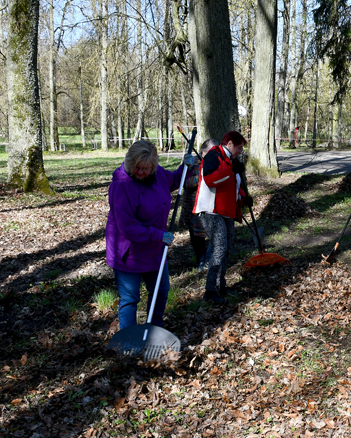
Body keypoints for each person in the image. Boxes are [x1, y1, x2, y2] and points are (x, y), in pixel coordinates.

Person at [105, 139, 195, 330]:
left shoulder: (157, 173)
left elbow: (171, 181)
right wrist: (158, 235)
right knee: (130, 298)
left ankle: (153, 331)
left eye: (146, 168)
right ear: (129, 162)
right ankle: (129, 342)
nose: (141, 172)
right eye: (137, 167)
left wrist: (184, 168)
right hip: (129, 252)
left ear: (153, 165)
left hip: (154, 249)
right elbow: (127, 227)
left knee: (161, 292)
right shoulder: (121, 186)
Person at [195, 130, 252, 304]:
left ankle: (220, 286)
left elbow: (232, 186)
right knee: (219, 248)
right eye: (239, 147)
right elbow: (211, 180)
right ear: (229, 144)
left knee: (226, 248)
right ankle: (210, 291)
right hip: (210, 210)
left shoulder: (231, 161)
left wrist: (243, 198)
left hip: (226, 211)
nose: (241, 151)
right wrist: (230, 170)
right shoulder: (214, 156)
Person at [180, 138, 218, 270]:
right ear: (203, 152)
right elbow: (185, 183)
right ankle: (201, 260)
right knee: (196, 235)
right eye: (211, 152)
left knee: (216, 233)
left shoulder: (217, 162)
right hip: (194, 205)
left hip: (212, 204)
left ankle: (210, 259)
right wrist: (202, 177)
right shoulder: (192, 162)